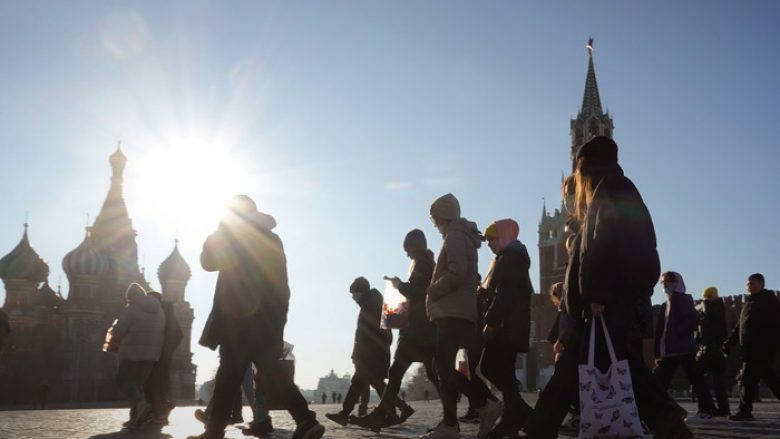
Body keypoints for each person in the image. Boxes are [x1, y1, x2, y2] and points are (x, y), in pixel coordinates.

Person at [564, 136, 692, 438]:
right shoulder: (620, 186)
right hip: (622, 291)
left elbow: (600, 244)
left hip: (612, 296)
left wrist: (595, 294)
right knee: (622, 364)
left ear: (586, 166)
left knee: (623, 366)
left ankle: (669, 421)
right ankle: (668, 422)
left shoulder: (606, 188)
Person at [187, 195, 324, 439]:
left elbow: (208, 262)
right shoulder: (272, 238)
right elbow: (281, 285)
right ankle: (306, 421)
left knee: (228, 377)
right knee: (273, 375)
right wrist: (278, 320)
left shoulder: (234, 237)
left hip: (239, 321)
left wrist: (219, 231)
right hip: (269, 322)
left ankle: (214, 431)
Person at [422, 193, 501, 439]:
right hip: (459, 311)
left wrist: (432, 290)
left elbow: (458, 273)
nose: (435, 225)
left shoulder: (455, 236)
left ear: (443, 217)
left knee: (442, 367)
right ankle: (450, 424)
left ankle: (485, 402)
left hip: (453, 312)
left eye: (435, 220)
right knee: (443, 367)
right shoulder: (460, 235)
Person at [354, 229, 439, 430]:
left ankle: (382, 414)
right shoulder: (428, 262)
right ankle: (453, 416)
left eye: (407, 250)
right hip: (426, 329)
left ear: (413, 247)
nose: (407, 254)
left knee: (396, 372)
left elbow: (418, 292)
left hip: (416, 330)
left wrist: (399, 285)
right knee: (433, 374)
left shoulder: (422, 263)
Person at [524, 174, 585, 439]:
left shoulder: (589, 227)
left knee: (565, 377)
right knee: (567, 376)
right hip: (576, 322)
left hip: (582, 319)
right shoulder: (575, 230)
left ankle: (540, 427)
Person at [325, 277, 410, 428]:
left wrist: (359, 354)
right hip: (373, 354)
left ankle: (346, 414)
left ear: (360, 292)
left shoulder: (371, 305)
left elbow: (367, 334)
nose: (353, 297)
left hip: (371, 355)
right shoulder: (373, 303)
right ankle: (397, 411)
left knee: (364, 383)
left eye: (354, 293)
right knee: (370, 383)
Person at [478, 219, 535, 438]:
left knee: (490, 367)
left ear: (502, 237)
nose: (489, 244)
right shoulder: (510, 257)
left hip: (507, 326)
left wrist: (491, 321)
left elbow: (506, 294)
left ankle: (517, 412)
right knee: (504, 372)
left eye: (491, 239)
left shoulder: (510, 258)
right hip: (511, 325)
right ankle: (515, 414)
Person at [653, 271, 717, 419]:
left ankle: (707, 409)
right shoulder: (665, 304)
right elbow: (660, 331)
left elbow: (693, 320)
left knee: (695, 379)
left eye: (668, 281)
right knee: (660, 380)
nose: (665, 285)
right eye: (663, 282)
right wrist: (658, 351)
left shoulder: (683, 299)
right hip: (669, 351)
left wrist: (676, 333)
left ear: (677, 283)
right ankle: (661, 410)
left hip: (683, 348)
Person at [107, 283, 166, 430]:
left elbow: (119, 331)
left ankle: (142, 405)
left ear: (130, 296)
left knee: (123, 381)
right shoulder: (159, 311)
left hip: (131, 352)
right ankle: (136, 418)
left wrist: (112, 338)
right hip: (151, 355)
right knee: (137, 386)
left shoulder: (131, 309)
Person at [725, 273, 780, 421]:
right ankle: (745, 411)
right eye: (748, 284)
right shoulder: (748, 304)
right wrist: (729, 343)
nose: (750, 287)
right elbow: (739, 327)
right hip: (749, 350)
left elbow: (775, 325)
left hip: (761, 349)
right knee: (771, 379)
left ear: (762, 284)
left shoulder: (769, 302)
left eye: (753, 284)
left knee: (747, 380)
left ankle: (745, 411)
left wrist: (772, 345)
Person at [144, 290, 183, 425]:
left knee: (153, 384)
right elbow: (178, 334)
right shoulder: (167, 312)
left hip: (156, 355)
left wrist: (165, 349)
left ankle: (159, 412)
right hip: (159, 356)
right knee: (157, 384)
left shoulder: (162, 312)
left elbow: (177, 334)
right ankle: (159, 410)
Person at [696, 286, 730, 416]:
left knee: (715, 381)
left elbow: (711, 328)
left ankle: (711, 408)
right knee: (712, 381)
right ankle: (715, 408)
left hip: (714, 351)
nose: (706, 299)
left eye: (709, 296)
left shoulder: (715, 309)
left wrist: (703, 304)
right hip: (707, 351)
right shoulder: (708, 313)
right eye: (705, 296)